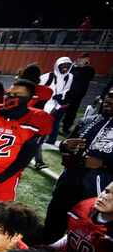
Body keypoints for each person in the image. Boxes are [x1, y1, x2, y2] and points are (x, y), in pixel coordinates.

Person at [43, 89, 113, 242]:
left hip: (98, 190)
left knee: (85, 232)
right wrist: (64, 145)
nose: (109, 99)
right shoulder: (88, 120)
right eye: (109, 95)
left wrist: (105, 164)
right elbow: (66, 144)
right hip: (68, 180)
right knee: (53, 222)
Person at [0, 79, 53, 201]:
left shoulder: (37, 120)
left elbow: (24, 159)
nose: (10, 97)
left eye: (17, 95)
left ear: (30, 99)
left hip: (8, 175)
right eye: (9, 94)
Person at [40, 57, 73, 146]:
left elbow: (67, 89)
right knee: (42, 123)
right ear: (57, 66)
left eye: (68, 66)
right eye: (63, 66)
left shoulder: (69, 77)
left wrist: (61, 98)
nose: (65, 68)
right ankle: (39, 139)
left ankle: (51, 141)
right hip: (46, 104)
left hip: (59, 104)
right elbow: (37, 86)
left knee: (55, 123)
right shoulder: (48, 76)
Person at [63, 53, 95, 135]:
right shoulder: (73, 68)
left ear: (87, 60)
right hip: (68, 93)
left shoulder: (89, 69)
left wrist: (80, 66)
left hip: (78, 96)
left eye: (84, 59)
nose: (81, 60)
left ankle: (66, 128)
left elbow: (89, 75)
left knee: (71, 113)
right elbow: (67, 75)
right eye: (80, 58)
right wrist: (74, 66)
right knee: (61, 110)